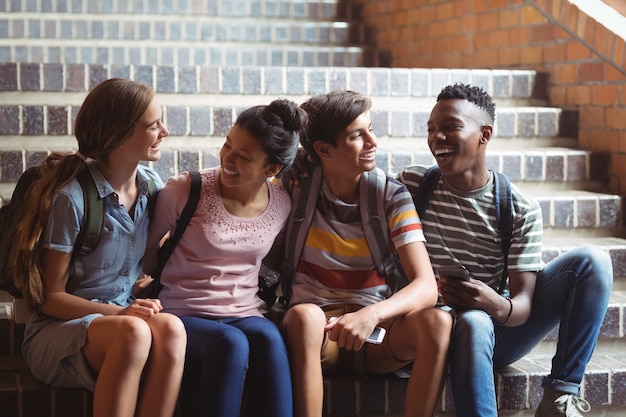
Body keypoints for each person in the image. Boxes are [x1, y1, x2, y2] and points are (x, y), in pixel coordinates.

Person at [398, 83, 613, 417]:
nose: (436, 137)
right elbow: (355, 186)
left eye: (451, 127)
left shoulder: (517, 209)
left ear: (484, 135)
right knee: (472, 322)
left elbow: (523, 306)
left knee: (593, 262)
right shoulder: (414, 185)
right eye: (431, 129)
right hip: (424, 331)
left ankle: (560, 396)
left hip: (490, 336)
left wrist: (491, 303)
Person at [10, 78, 186, 417]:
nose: (164, 131)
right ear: (118, 135)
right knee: (133, 332)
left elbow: (150, 261)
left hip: (123, 320)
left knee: (173, 329)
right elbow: (50, 299)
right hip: (60, 332)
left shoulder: (152, 187)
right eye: (153, 125)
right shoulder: (71, 199)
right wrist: (121, 313)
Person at [279, 90, 453, 417]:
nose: (373, 141)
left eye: (371, 129)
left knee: (438, 323)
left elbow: (427, 287)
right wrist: (289, 162)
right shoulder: (296, 186)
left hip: (377, 334)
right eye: (358, 135)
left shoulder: (391, 195)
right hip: (318, 336)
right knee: (305, 316)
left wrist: (371, 315)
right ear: (323, 150)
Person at [143, 99, 307, 417]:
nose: (227, 159)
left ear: (271, 169)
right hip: (180, 314)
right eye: (227, 145)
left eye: (243, 157)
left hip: (244, 312)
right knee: (230, 343)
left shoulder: (281, 204)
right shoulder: (185, 189)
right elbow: (144, 254)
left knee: (270, 339)